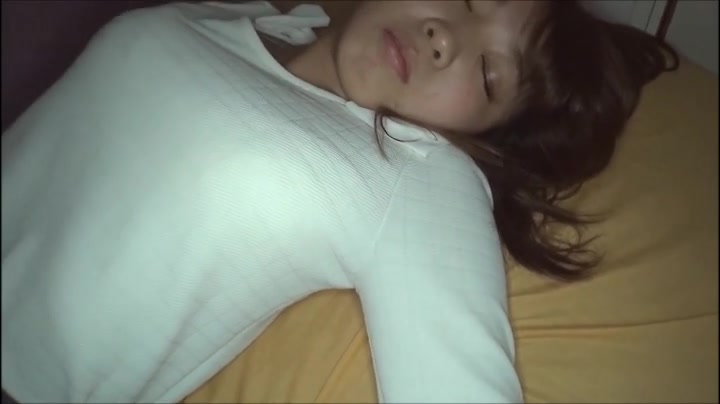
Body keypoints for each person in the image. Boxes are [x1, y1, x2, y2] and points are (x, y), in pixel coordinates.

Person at [0, 1, 677, 403]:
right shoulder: (267, 17)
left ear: (486, 132)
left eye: (489, 74)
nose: (447, 37)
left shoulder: (421, 176)